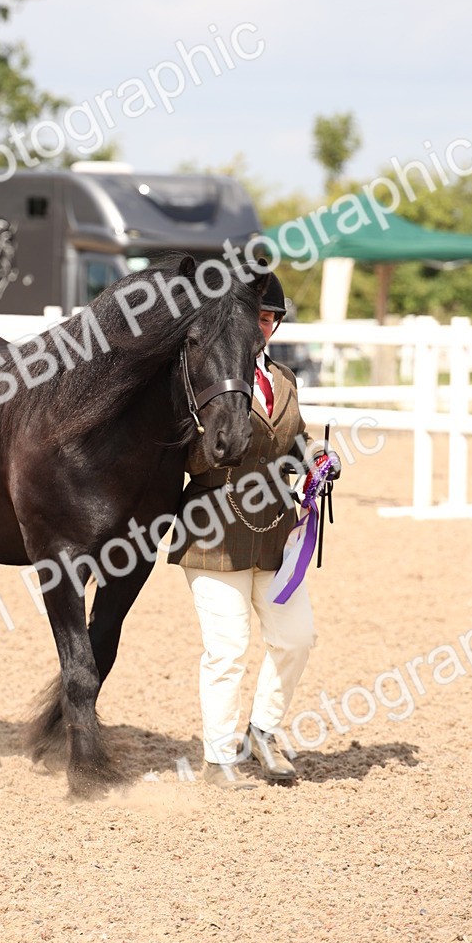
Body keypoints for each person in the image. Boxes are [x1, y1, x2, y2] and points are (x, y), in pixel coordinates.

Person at [169, 272, 341, 790]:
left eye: (271, 317)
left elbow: (297, 439)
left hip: (273, 531)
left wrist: (318, 459)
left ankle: (263, 731)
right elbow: (183, 451)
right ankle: (219, 758)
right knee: (228, 648)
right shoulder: (208, 373)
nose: (265, 325)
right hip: (214, 528)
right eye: (257, 316)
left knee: (297, 638)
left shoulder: (284, 379)